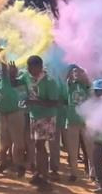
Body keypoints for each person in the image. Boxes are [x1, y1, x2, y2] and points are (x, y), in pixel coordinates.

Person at [24, 55, 59, 190]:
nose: (28, 70)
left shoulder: (49, 81)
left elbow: (54, 102)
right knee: (38, 146)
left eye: (30, 67)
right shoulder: (29, 78)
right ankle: (40, 173)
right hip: (35, 116)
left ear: (38, 67)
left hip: (46, 117)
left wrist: (35, 102)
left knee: (40, 145)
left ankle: (43, 175)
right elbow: (16, 82)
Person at [0, 60, 28, 177]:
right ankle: (3, 163)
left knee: (19, 144)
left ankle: (18, 165)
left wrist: (3, 58)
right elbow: (4, 71)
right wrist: (2, 57)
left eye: (14, 70)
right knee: (4, 144)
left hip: (16, 114)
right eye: (10, 70)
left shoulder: (21, 83)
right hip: (3, 116)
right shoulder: (2, 83)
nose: (11, 72)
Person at [64, 65, 93, 182]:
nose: (76, 73)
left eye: (78, 71)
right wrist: (70, 71)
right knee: (72, 150)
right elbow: (66, 79)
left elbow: (90, 87)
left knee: (90, 149)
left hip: (86, 123)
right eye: (74, 71)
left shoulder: (86, 86)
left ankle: (93, 173)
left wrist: (84, 76)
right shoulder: (70, 84)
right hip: (72, 122)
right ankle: (74, 173)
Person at [49, 74, 68, 181]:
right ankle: (51, 169)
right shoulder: (43, 82)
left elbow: (67, 100)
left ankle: (55, 169)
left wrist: (58, 101)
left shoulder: (61, 83)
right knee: (51, 145)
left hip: (61, 117)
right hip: (47, 117)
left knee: (57, 144)